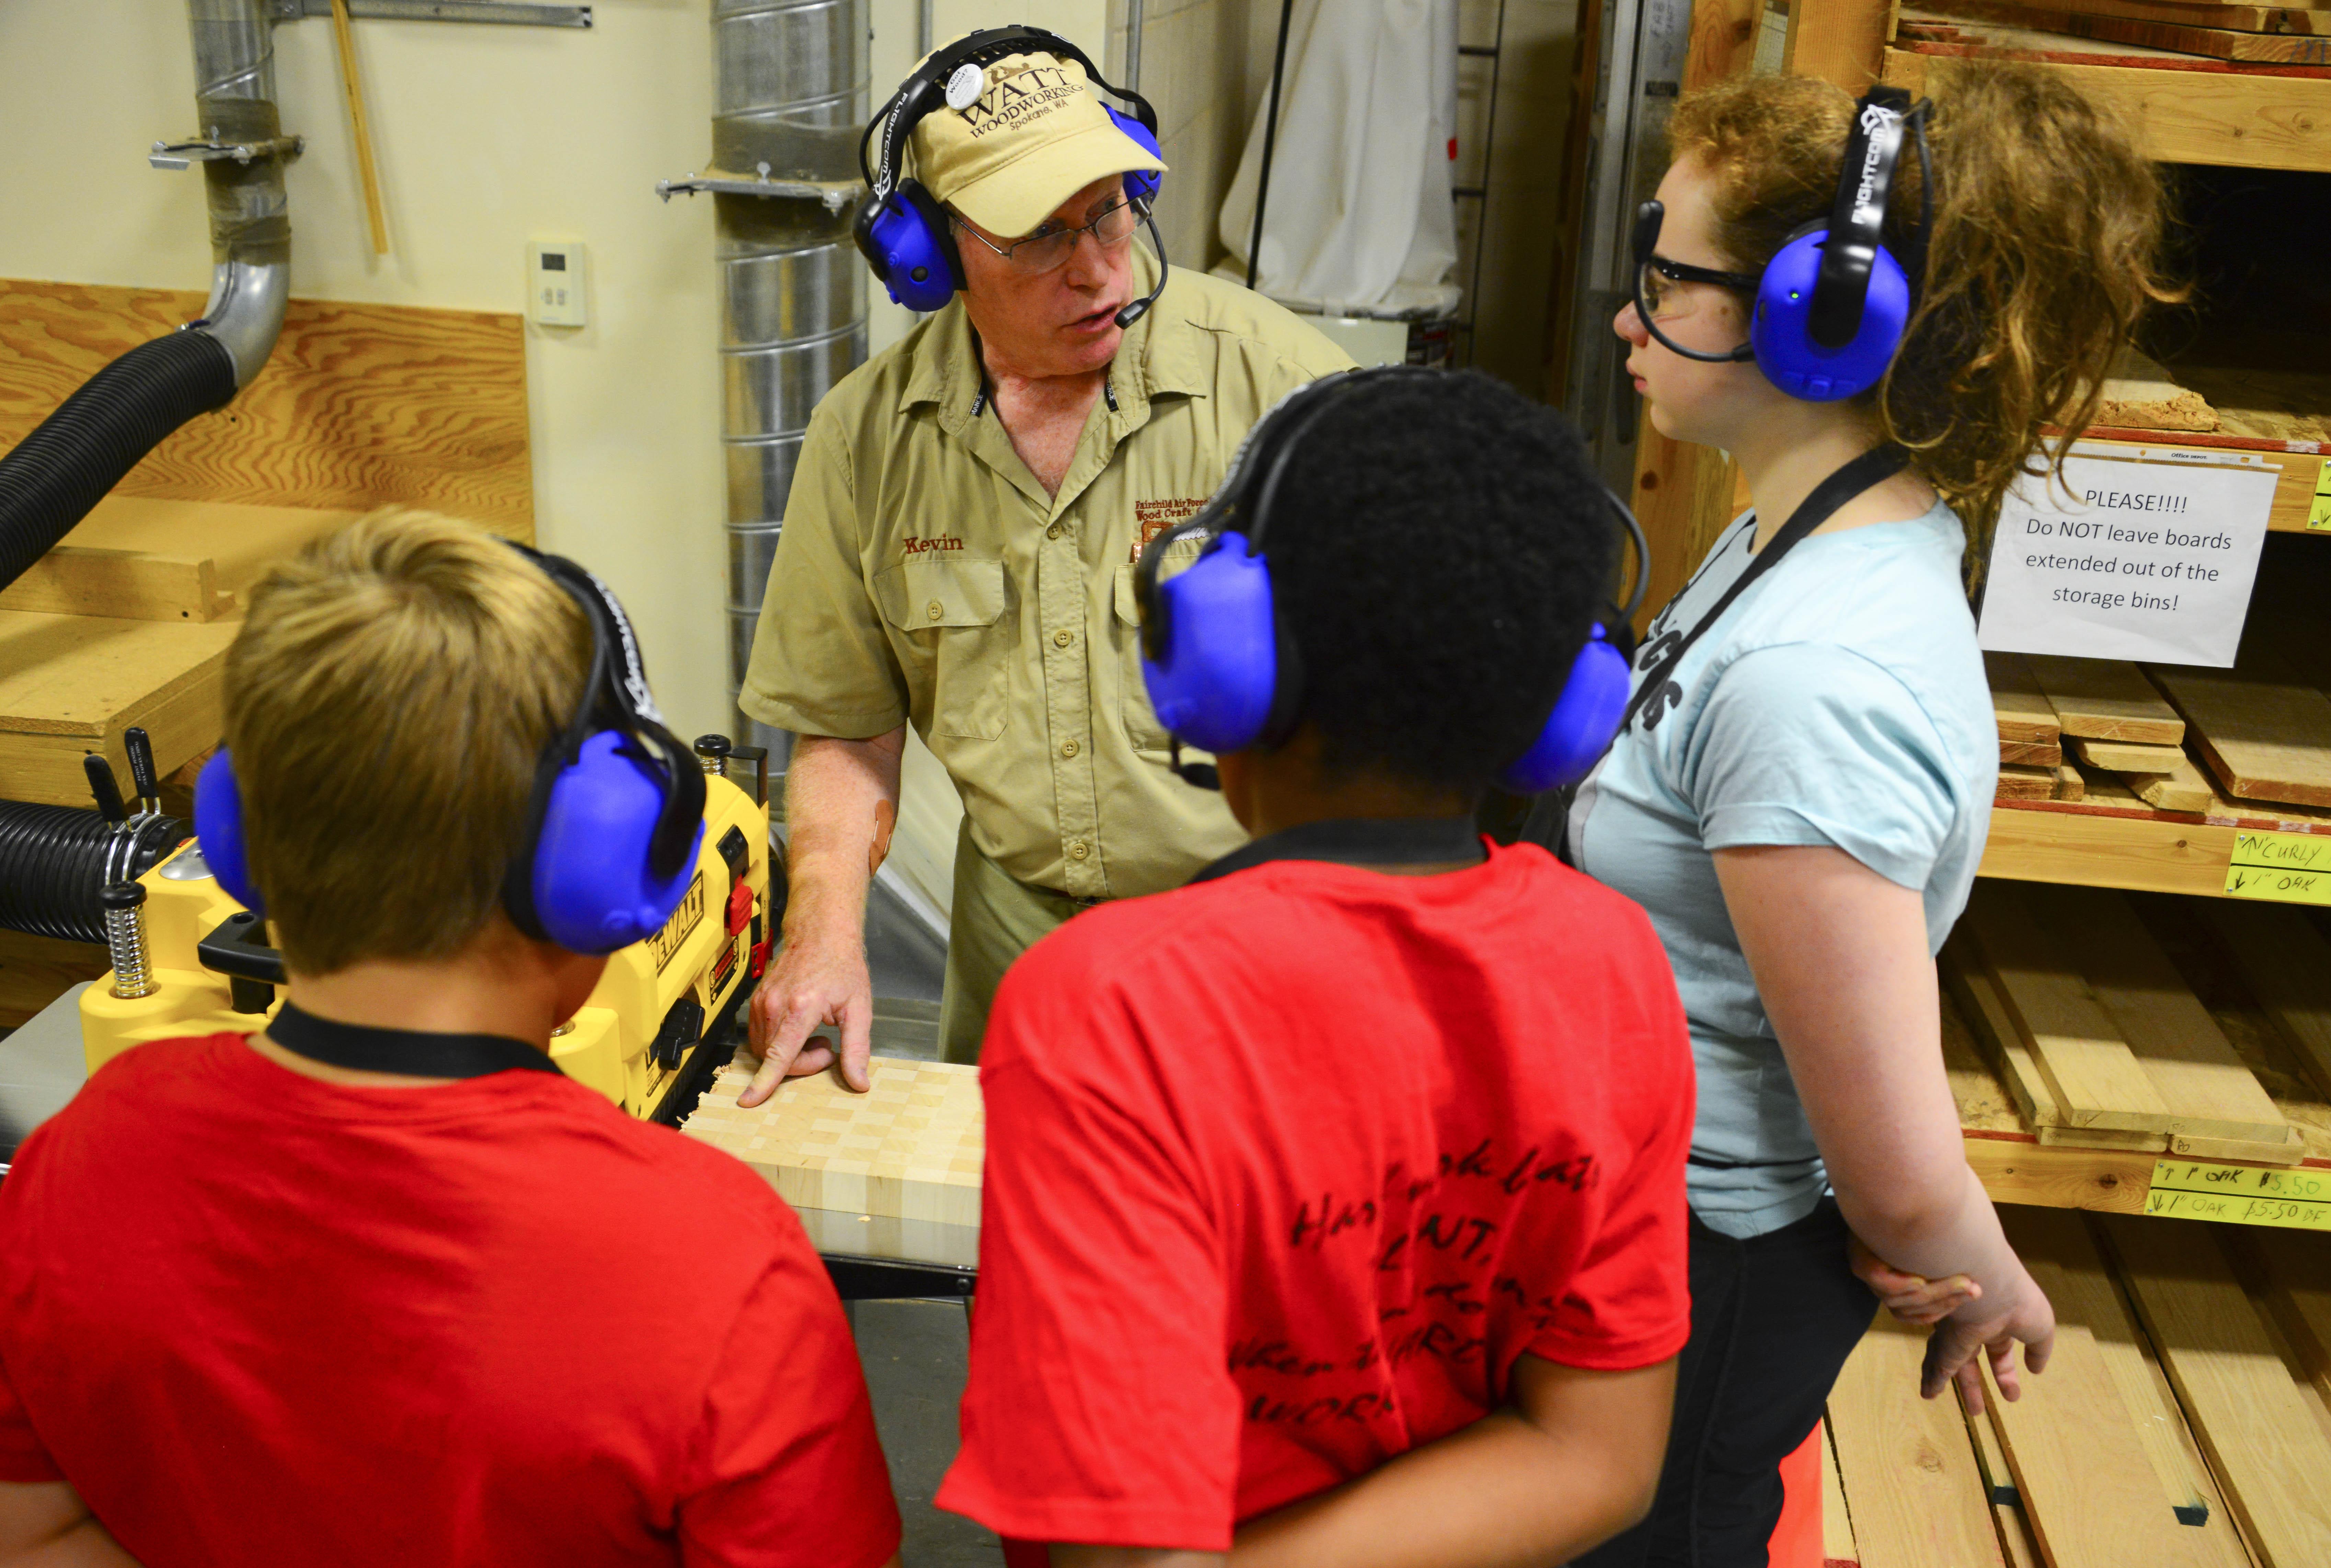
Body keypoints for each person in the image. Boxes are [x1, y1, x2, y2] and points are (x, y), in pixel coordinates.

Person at [0, 511, 902, 1568]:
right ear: (603, 872)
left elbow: (40, 1529)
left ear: (244, 836)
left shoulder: (81, 1153)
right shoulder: (725, 1266)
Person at [1565, 63, 2177, 1566]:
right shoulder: (1802, 525)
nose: (1631, 318)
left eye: (1671, 277)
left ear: (1818, 319)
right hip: (1665, 1222)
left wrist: (1979, 1271)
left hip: (1705, 1269)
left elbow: (1898, 1165)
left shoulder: (1812, 677)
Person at [934, 369, 1697, 1567]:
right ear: (1563, 708)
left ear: (1226, 663)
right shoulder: (1614, 966)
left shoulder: (1113, 1009)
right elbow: (1596, 1456)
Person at [737, 28, 1356, 1087]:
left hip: (1258, 935)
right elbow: (845, 727)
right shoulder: (868, 437)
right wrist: (826, 928)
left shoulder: (1284, 386)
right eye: (1038, 234)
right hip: (1018, 947)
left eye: (1112, 210)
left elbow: (1409, 690)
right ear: (933, 253)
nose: (1097, 267)